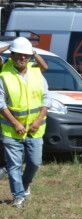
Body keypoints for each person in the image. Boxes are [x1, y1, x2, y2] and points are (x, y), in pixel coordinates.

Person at [0, 38, 48, 209]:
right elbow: (1, 104)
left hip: (35, 129)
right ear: (11, 55)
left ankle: (25, 184)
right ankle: (18, 196)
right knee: (14, 165)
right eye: (18, 54)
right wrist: (15, 124)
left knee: (35, 163)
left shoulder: (36, 71)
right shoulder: (3, 73)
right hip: (11, 130)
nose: (22, 58)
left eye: (25, 55)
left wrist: (38, 120)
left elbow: (46, 99)